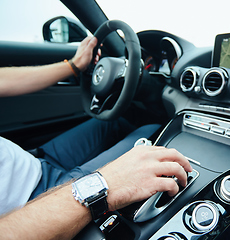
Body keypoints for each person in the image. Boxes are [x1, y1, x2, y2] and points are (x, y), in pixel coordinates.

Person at [0, 35, 191, 238]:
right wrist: (105, 185)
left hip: (32, 163)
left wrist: (74, 65)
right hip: (33, 205)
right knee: (151, 129)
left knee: (112, 122)